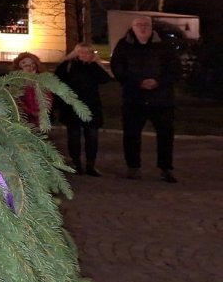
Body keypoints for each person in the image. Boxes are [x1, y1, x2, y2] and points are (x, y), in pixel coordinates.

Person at [111, 15, 179, 182]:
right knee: (132, 134)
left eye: (146, 25)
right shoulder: (124, 45)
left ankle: (166, 168)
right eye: (139, 25)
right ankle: (133, 167)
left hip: (161, 99)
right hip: (134, 98)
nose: (143, 28)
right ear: (133, 27)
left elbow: (175, 69)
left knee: (165, 135)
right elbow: (118, 69)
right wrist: (138, 82)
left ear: (151, 27)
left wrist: (158, 82)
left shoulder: (164, 45)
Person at [55, 42, 114, 176]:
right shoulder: (67, 66)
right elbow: (58, 83)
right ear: (76, 53)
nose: (85, 55)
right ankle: (76, 164)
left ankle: (90, 165)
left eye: (89, 52)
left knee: (92, 136)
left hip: (91, 106)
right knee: (74, 136)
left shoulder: (93, 67)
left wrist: (93, 64)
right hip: (72, 106)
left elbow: (105, 79)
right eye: (82, 52)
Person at [10, 52, 52, 129]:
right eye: (25, 65)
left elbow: (47, 100)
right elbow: (15, 102)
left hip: (39, 123)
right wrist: (30, 112)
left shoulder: (42, 82)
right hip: (22, 122)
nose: (30, 67)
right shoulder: (16, 84)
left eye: (32, 64)